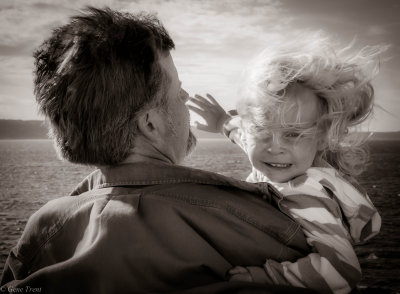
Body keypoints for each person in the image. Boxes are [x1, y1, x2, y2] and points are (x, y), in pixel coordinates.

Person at [0, 7, 318, 294]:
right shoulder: (260, 224)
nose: (185, 99)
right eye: (178, 93)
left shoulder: (40, 234)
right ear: (150, 124)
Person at [188, 34, 383, 293]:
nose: (274, 147)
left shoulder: (306, 195)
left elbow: (341, 271)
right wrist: (224, 121)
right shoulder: (279, 156)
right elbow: (246, 138)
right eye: (263, 131)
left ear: (323, 137)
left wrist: (266, 277)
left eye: (293, 134)